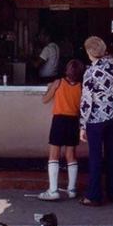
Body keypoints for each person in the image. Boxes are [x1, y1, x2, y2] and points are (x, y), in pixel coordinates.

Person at [79, 35, 113, 206]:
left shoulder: (90, 73)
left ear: (89, 52)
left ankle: (94, 195)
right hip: (112, 116)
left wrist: (82, 125)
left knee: (96, 158)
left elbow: (86, 102)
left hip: (95, 120)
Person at [38, 59, 85, 201]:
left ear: (66, 71)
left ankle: (53, 190)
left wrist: (50, 88)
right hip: (73, 121)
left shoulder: (58, 83)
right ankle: (71, 189)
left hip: (59, 120)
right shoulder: (81, 87)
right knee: (71, 155)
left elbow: (45, 99)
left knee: (54, 154)